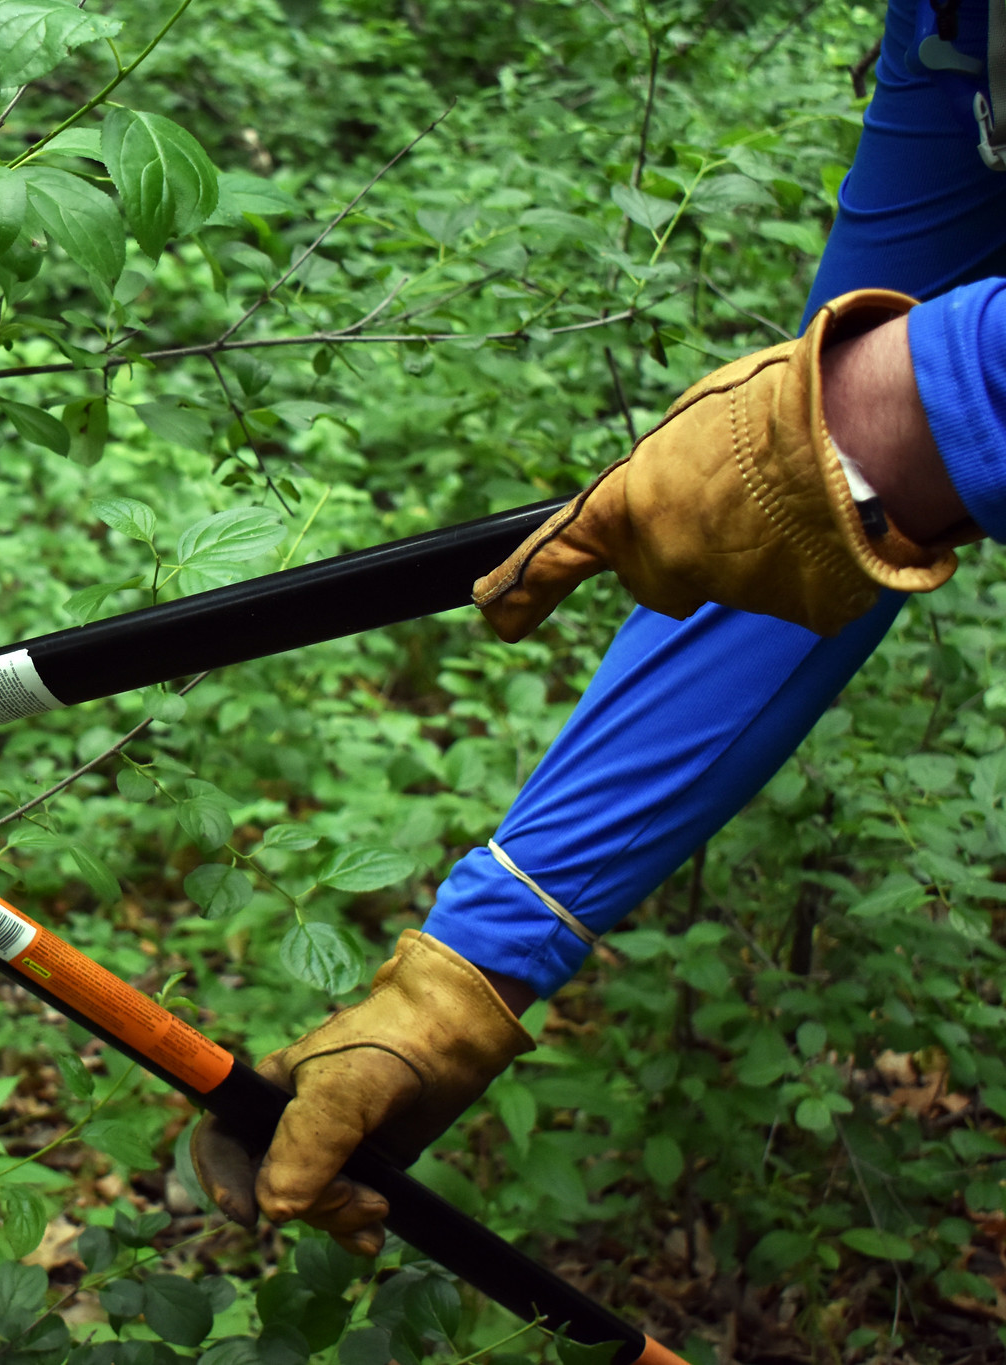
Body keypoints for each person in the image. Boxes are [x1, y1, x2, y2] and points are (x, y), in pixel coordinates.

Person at [190, 0, 1006, 1252]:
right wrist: (464, 975)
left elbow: (883, 430)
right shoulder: (953, 29)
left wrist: (915, 397)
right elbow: (809, 528)